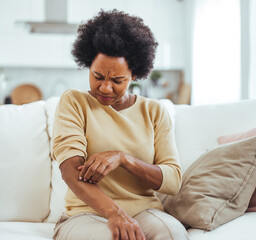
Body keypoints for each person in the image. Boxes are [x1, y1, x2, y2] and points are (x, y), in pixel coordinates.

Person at [51, 9, 189, 240]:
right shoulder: (74, 102)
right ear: (88, 65)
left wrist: (123, 158)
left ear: (134, 75)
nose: (105, 87)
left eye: (117, 80)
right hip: (85, 214)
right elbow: (70, 172)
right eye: (97, 76)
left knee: (172, 233)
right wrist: (115, 213)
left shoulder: (154, 111)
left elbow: (173, 180)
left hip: (145, 211)